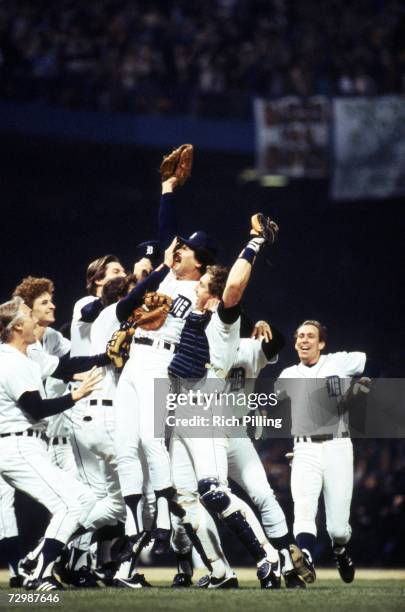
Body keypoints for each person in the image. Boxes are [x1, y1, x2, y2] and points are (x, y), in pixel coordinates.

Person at [114, 175, 218, 553]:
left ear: (201, 262)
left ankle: (161, 517)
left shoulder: (202, 288)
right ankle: (132, 522)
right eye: (181, 246)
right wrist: (168, 189)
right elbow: (168, 233)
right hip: (136, 357)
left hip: (162, 360)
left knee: (150, 438)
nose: (179, 250)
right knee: (124, 442)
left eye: (188, 249)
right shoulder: (169, 277)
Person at [0, 296, 103, 591]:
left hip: (26, 445)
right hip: (17, 446)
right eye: (28, 316)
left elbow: (66, 365)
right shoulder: (10, 361)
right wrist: (76, 396)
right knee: (74, 504)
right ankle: (40, 572)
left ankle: (35, 560)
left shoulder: (25, 356)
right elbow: (35, 408)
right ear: (18, 326)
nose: (34, 320)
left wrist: (105, 357)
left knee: (83, 501)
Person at [277, 320, 367, 584]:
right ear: (295, 343)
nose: (304, 340)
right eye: (300, 336)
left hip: (338, 446)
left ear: (321, 343)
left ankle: (339, 550)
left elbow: (366, 364)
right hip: (304, 448)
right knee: (304, 510)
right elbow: (272, 403)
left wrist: (356, 388)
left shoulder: (339, 362)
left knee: (338, 529)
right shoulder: (288, 374)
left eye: (310, 336)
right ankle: (305, 555)